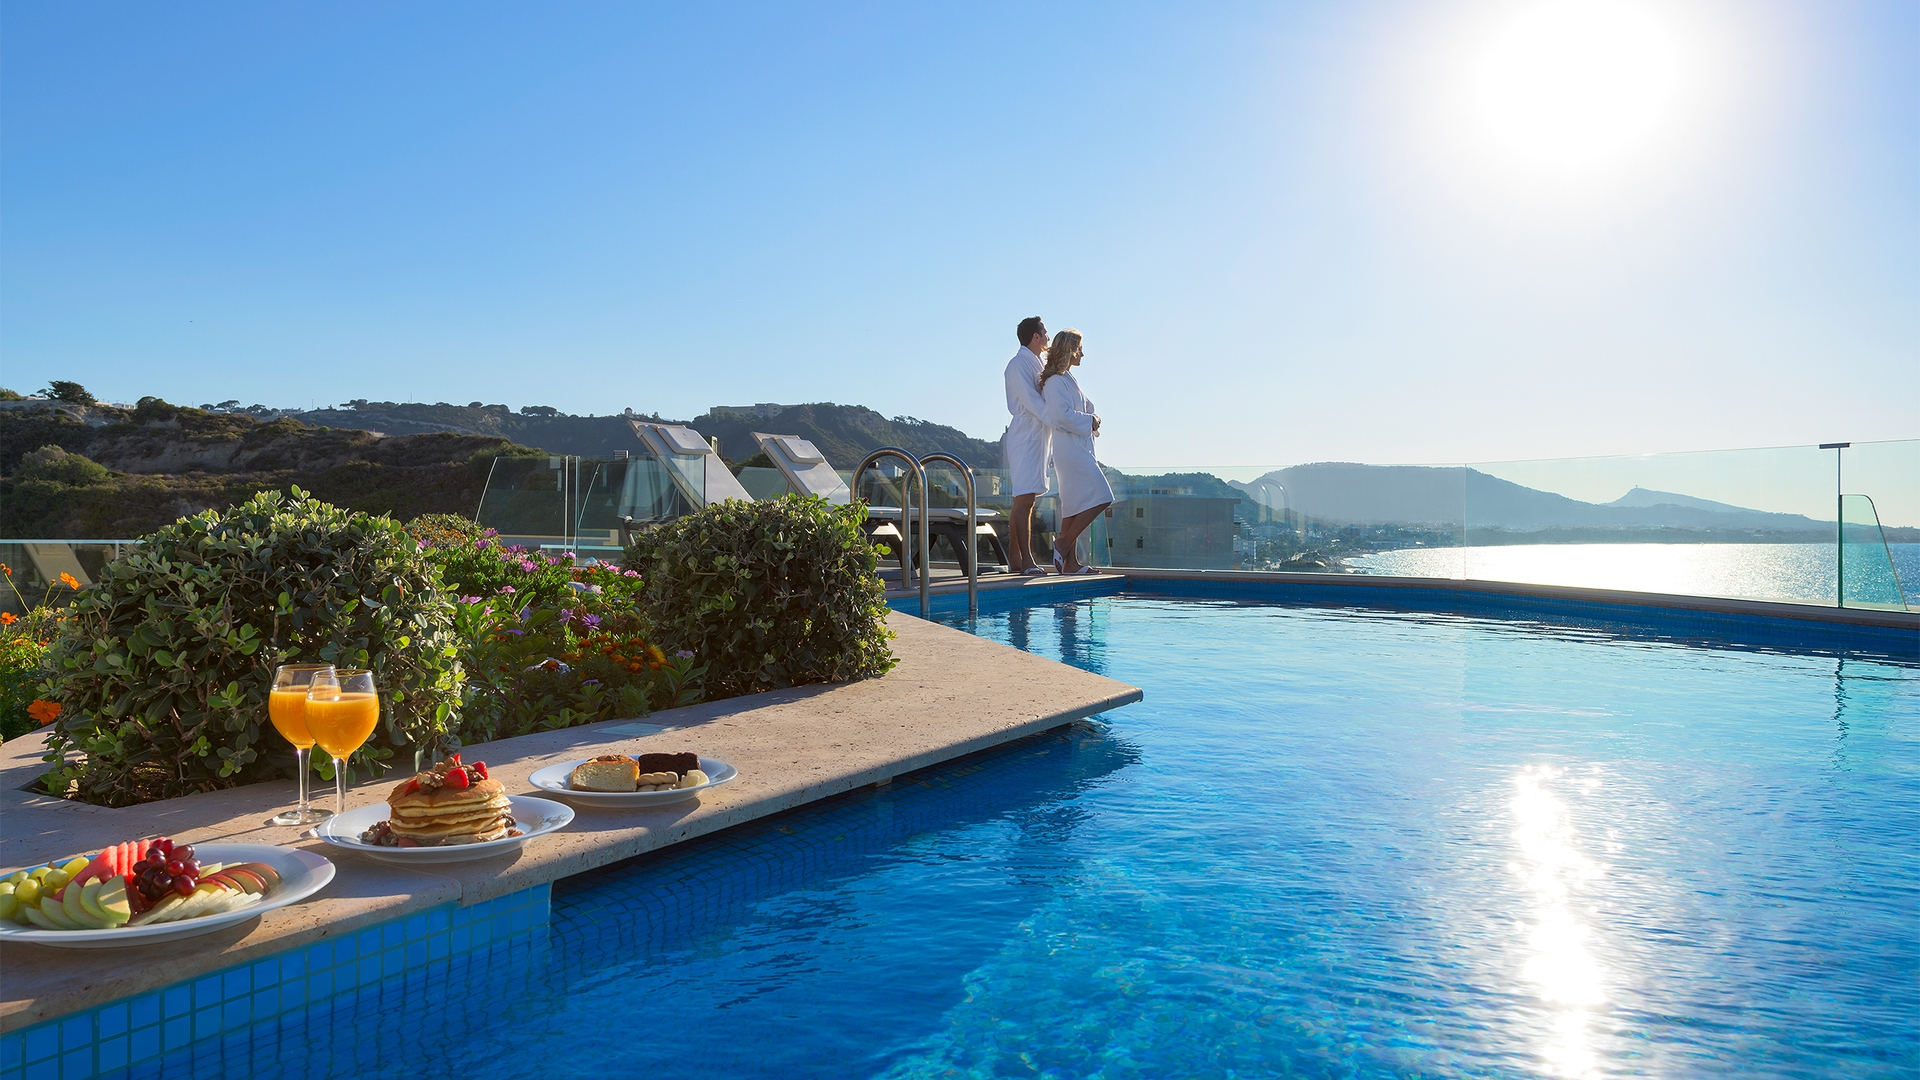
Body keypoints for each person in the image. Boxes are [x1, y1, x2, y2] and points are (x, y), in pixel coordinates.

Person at [1038, 329, 1113, 574]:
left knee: (1071, 506)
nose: (1082, 353)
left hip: (1077, 447)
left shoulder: (1067, 378)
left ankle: (1071, 564)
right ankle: (1064, 542)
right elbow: (1060, 416)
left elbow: (1084, 408)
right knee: (1103, 495)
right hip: (1070, 449)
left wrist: (1092, 418)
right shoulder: (1054, 382)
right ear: (1069, 350)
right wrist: (1089, 421)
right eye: (1079, 348)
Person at [1002, 316, 1053, 575]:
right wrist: (1060, 419)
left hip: (1035, 436)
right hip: (1025, 437)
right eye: (1044, 331)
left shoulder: (1034, 363)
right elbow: (1033, 401)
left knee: (1025, 500)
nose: (1047, 335)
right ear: (1035, 336)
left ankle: (1017, 560)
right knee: (1024, 501)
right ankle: (1027, 561)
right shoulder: (1018, 365)